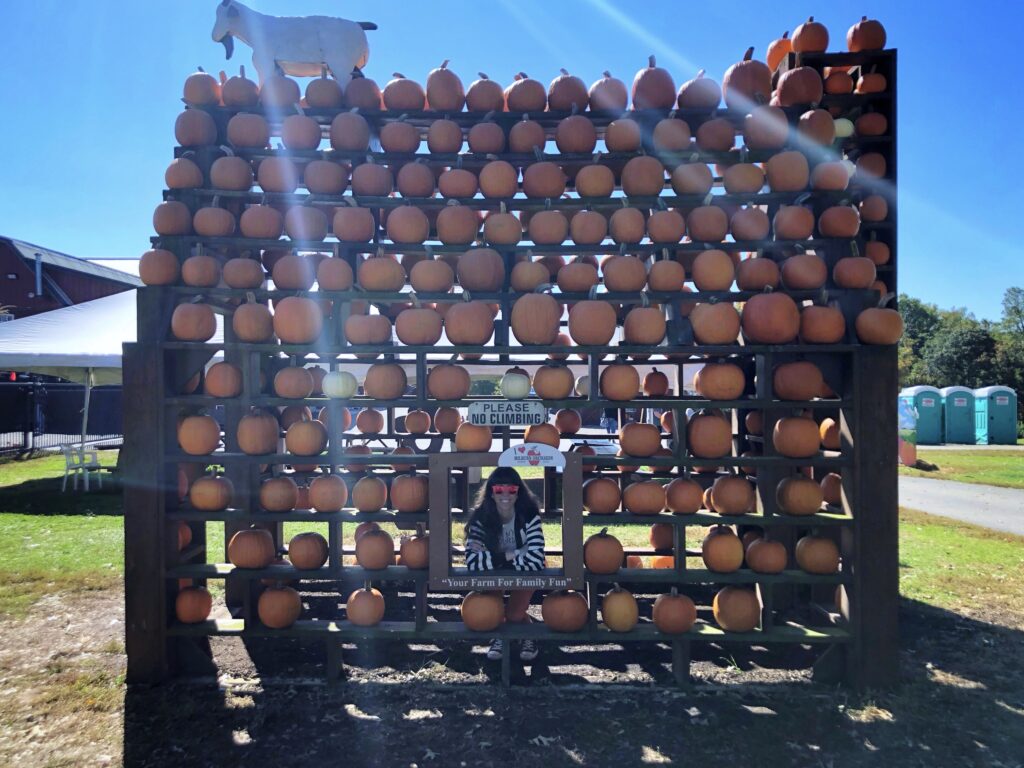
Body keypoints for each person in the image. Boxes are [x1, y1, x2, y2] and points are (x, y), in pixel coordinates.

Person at [463, 466, 545, 662]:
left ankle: (527, 633)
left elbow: (535, 560)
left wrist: (491, 557)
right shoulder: (481, 518)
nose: (505, 495)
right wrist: (513, 555)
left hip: (524, 573)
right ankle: (502, 638)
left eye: (512, 490)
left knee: (514, 614)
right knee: (493, 611)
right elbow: (473, 562)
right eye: (499, 490)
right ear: (491, 492)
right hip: (500, 570)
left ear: (519, 492)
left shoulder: (529, 516)